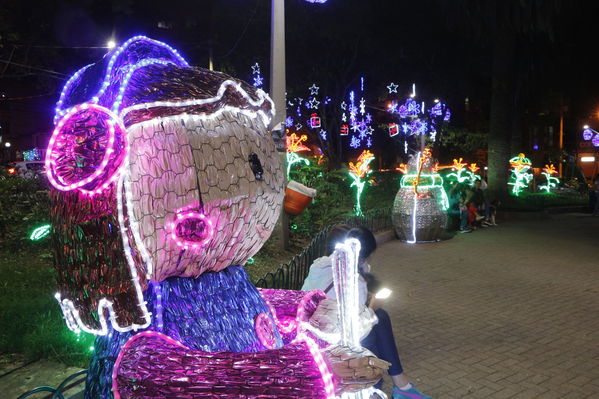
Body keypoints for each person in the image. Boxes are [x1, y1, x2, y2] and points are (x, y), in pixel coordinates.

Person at [302, 225, 432, 399]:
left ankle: (399, 385)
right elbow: (357, 324)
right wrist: (373, 306)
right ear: (364, 255)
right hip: (331, 341)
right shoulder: (354, 281)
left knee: (380, 319)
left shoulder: (319, 266)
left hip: (308, 334)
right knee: (376, 323)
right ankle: (388, 386)